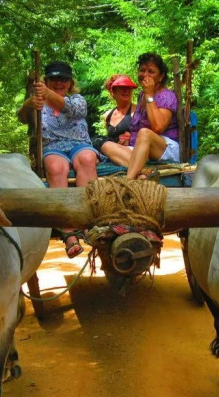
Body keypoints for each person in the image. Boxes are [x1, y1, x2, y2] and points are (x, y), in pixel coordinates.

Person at [17, 60, 99, 257]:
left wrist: (46, 93)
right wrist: (29, 103)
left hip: (79, 144)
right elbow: (22, 117)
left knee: (88, 158)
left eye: (64, 79)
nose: (59, 83)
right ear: (46, 80)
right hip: (53, 146)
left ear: (70, 83)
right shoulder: (39, 102)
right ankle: (68, 232)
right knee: (55, 167)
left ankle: (89, 222)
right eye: (54, 79)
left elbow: (71, 109)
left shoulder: (77, 100)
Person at [101, 53, 180, 179]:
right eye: (142, 70)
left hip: (164, 148)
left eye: (151, 72)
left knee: (144, 133)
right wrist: (130, 137)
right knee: (107, 145)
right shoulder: (141, 95)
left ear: (161, 76)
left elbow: (158, 127)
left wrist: (149, 95)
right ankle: (144, 171)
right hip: (142, 150)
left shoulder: (167, 96)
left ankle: (129, 181)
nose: (145, 75)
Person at [97, 74, 138, 148]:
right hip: (112, 152)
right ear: (112, 92)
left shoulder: (138, 110)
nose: (126, 90)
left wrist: (132, 137)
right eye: (122, 87)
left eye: (129, 87)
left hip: (133, 151)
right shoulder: (107, 116)